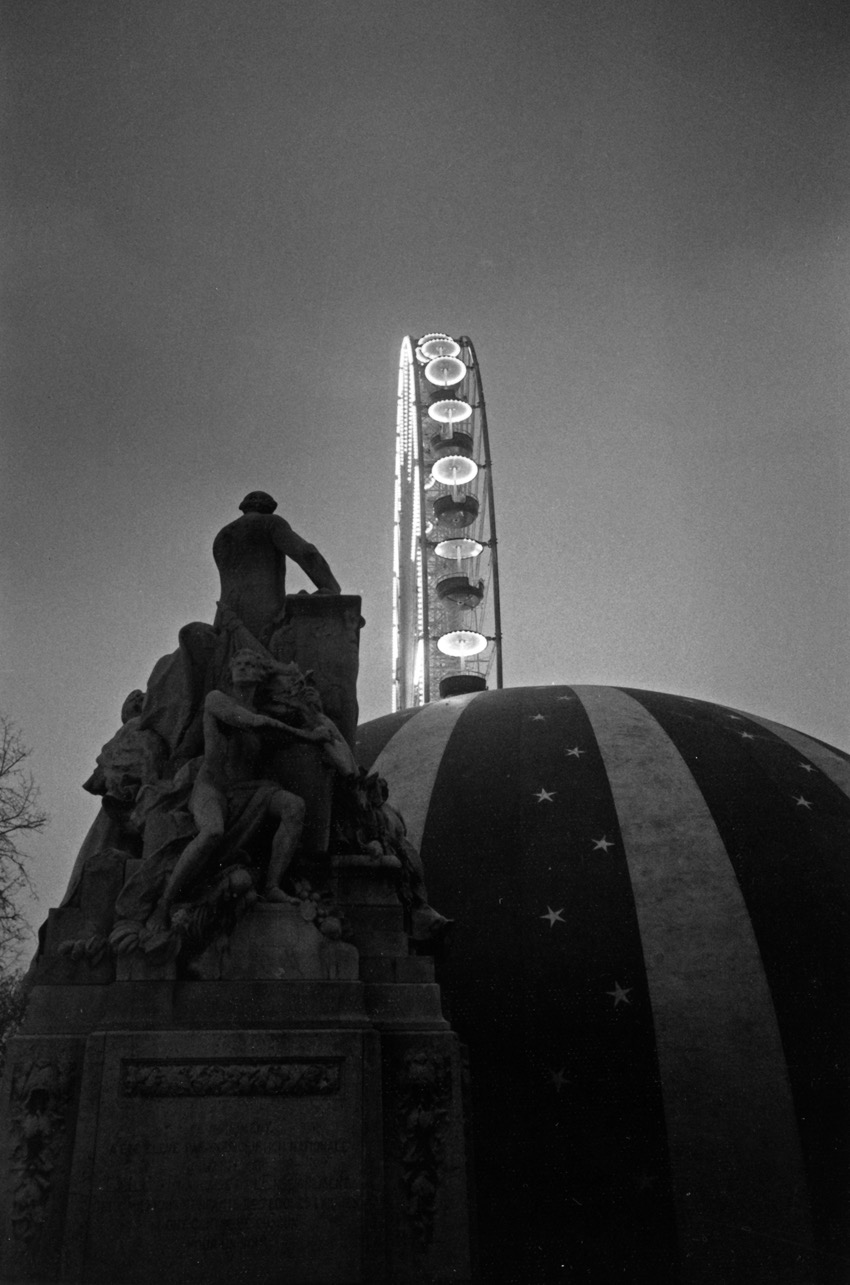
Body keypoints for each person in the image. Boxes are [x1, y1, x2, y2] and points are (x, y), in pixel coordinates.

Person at [150, 649, 333, 928]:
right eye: (239, 664)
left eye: (251, 665)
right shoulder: (217, 700)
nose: (244, 669)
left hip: (249, 790)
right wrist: (308, 735)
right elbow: (251, 722)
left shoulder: (267, 713)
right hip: (212, 788)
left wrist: (297, 694)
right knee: (212, 831)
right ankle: (164, 904)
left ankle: (272, 885)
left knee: (294, 806)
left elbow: (285, 718)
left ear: (261, 675)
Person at [212, 491, 341, 644]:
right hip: (264, 618)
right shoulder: (270, 523)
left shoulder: (222, 536)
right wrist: (332, 588)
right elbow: (307, 553)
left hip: (224, 621)